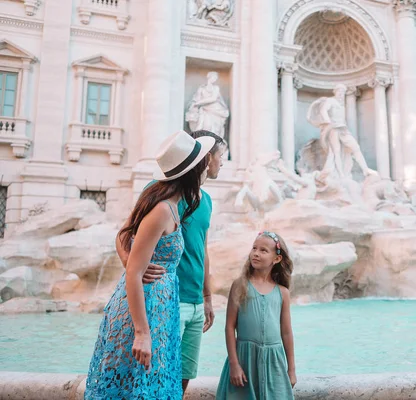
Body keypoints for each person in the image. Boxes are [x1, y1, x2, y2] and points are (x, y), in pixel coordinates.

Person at [85, 130, 216, 399]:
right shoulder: (161, 209)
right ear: (192, 173)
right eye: (203, 164)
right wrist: (142, 333)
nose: (209, 167)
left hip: (162, 308)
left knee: (153, 386)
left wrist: (207, 296)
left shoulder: (175, 205)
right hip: (148, 307)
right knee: (136, 388)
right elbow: (133, 271)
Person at [115, 130, 228, 394]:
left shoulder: (207, 201)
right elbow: (124, 234)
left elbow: (203, 249)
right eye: (221, 155)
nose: (223, 162)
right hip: (167, 300)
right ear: (206, 158)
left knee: (185, 375)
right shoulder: (160, 195)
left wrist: (207, 297)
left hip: (195, 301)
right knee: (154, 375)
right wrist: (133, 266)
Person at [216, 231, 296, 400]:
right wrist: (234, 364)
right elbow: (230, 327)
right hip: (244, 360)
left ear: (277, 259)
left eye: (263, 250)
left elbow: (287, 333)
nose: (256, 253)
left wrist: (291, 369)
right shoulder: (240, 286)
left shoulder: (283, 293)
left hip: (274, 362)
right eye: (254, 248)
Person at [307, 84, 376, 180]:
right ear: (335, 92)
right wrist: (328, 122)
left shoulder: (342, 106)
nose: (341, 94)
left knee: (355, 147)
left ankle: (365, 169)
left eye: (343, 92)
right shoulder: (330, 101)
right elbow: (323, 110)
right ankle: (341, 175)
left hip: (343, 129)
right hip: (333, 128)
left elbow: (342, 119)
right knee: (336, 151)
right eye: (339, 92)